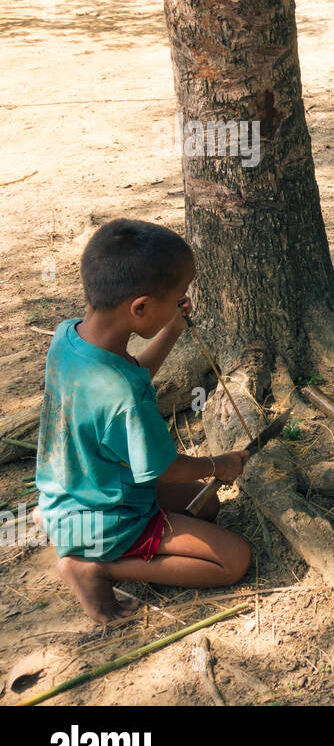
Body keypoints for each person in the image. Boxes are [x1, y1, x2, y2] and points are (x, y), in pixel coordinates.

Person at [35, 219, 252, 624]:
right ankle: (95, 567)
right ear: (141, 307)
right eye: (177, 298)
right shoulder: (125, 398)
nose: (183, 302)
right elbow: (165, 467)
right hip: (110, 516)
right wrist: (218, 465)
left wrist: (171, 328)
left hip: (75, 492)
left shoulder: (68, 337)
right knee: (234, 559)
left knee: (205, 506)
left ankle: (61, 526)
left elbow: (131, 375)